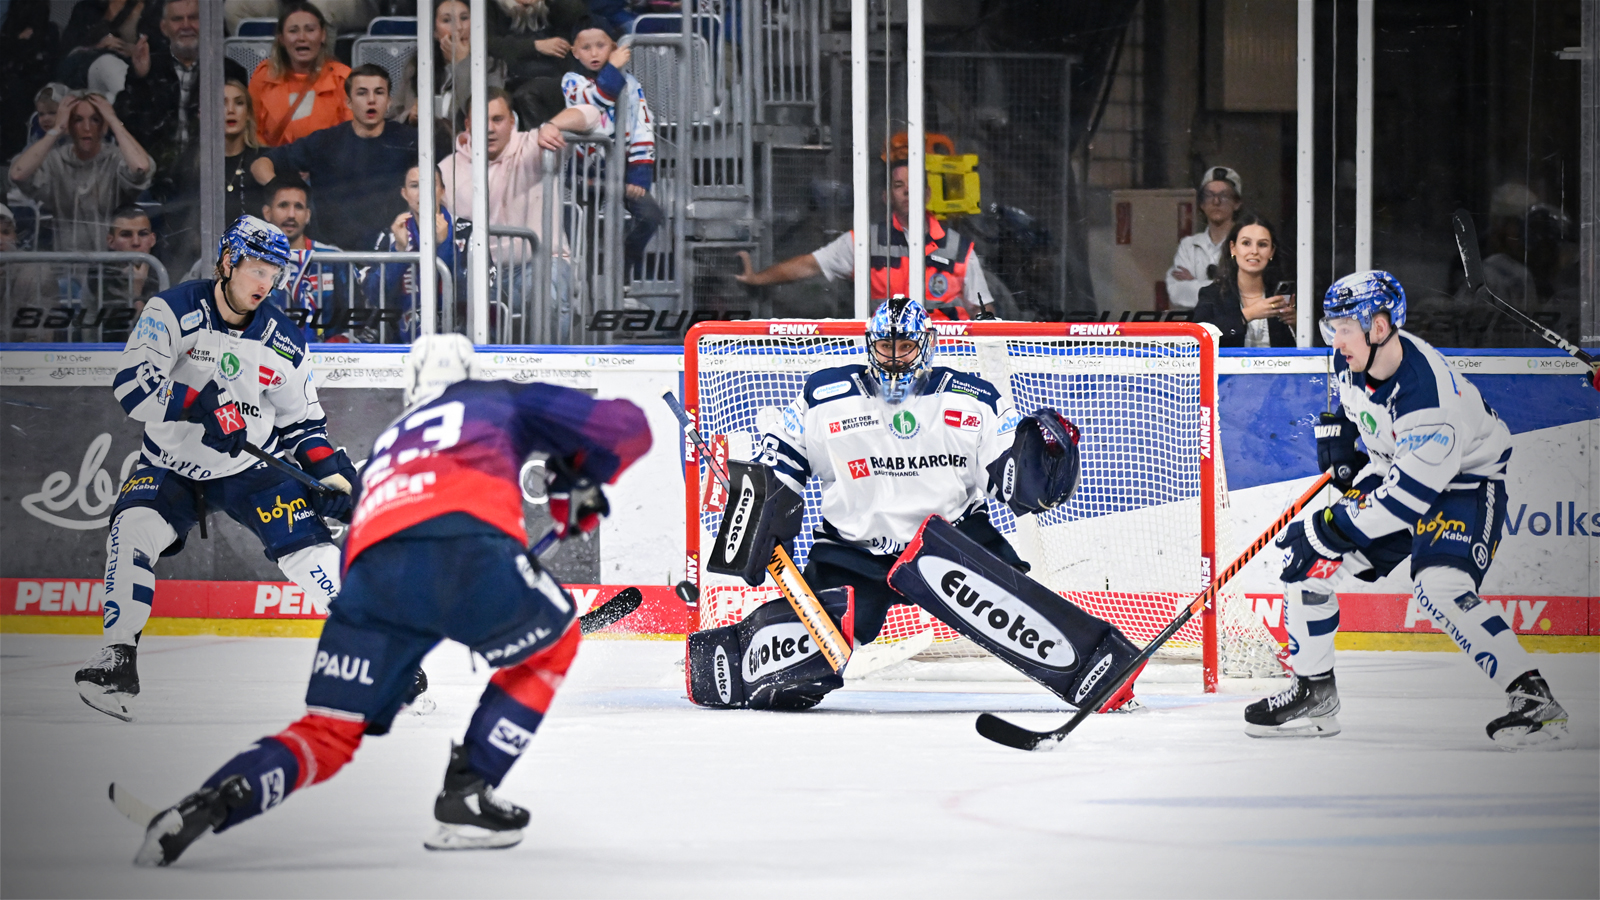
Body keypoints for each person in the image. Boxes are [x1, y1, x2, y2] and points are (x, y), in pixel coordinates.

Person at [124, 334, 652, 866]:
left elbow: (368, 539)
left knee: (328, 732)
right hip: (468, 549)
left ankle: (204, 805)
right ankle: (469, 789)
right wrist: (578, 476)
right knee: (552, 644)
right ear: (468, 374)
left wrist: (389, 661)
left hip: (372, 579)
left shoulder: (390, 443)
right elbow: (630, 426)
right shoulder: (496, 398)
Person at [684, 297, 1143, 713]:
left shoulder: (973, 398)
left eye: (905, 346)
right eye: (885, 347)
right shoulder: (825, 397)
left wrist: (1034, 469)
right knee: (805, 665)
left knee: (1016, 610)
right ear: (870, 346)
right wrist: (763, 502)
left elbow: (1007, 466)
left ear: (928, 344)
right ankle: (724, 663)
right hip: (853, 552)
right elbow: (783, 450)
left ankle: (1099, 668)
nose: (895, 357)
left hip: (950, 539)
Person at [1248, 270, 1569, 748]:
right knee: (1306, 567)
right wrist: (1344, 435)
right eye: (1330, 326)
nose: (1335, 340)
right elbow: (1355, 408)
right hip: (1403, 469)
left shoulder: (1428, 396)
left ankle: (1535, 700)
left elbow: (1403, 502)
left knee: (1438, 585)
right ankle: (1315, 693)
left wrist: (1329, 527)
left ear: (1379, 328)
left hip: (1465, 481)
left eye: (1345, 327)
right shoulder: (1349, 358)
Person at [72, 215, 362, 723]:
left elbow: (303, 425)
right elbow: (132, 386)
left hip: (249, 467)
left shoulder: (285, 340)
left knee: (308, 547)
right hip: (170, 465)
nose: (264, 283)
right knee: (132, 528)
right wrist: (198, 403)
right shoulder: (172, 309)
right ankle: (118, 660)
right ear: (227, 261)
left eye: (274, 272)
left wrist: (333, 473)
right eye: (255, 268)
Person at [735, 159, 995, 319]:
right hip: (886, 358)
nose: (907, 191)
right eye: (898, 185)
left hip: (947, 359)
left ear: (927, 194)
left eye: (913, 183)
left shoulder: (958, 249)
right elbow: (809, 265)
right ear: (886, 196)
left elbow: (982, 310)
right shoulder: (865, 243)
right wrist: (758, 278)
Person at [440, 87, 599, 304]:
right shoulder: (446, 170)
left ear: (512, 122)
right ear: (468, 125)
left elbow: (591, 114)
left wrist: (552, 126)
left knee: (547, 288)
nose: (489, 128)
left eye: (498, 119)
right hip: (478, 274)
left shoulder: (536, 145)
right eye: (480, 120)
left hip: (540, 264)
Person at [252, 64, 417, 255]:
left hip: (392, 254)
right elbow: (261, 164)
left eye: (379, 93)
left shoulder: (409, 140)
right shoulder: (325, 141)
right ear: (348, 101)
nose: (371, 100)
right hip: (333, 257)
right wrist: (282, 192)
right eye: (362, 93)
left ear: (389, 101)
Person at [562, 18, 663, 277]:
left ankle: (624, 262)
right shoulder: (572, 81)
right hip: (585, 174)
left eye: (601, 45)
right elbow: (594, 101)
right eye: (586, 48)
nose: (594, 53)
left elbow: (642, 128)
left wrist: (638, 176)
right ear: (575, 51)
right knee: (584, 236)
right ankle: (586, 288)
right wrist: (614, 69)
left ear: (614, 47)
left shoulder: (631, 85)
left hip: (621, 172)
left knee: (651, 215)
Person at [8, 91, 154, 253]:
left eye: (95, 120)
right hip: (66, 264)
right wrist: (58, 128)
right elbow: (18, 173)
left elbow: (140, 167)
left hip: (114, 264)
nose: (86, 128)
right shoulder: (56, 161)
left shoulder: (115, 159)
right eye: (78, 120)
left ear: (103, 126)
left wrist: (113, 121)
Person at [362, 165, 463, 343]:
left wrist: (444, 246)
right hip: (401, 345)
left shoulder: (466, 232)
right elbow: (374, 295)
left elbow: (474, 292)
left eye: (430, 184)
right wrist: (399, 252)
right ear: (404, 193)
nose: (423, 192)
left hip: (457, 341)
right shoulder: (390, 236)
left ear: (442, 190)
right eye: (415, 186)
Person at [392, 0, 507, 135]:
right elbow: (393, 113)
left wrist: (461, 62)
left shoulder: (493, 66)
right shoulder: (419, 64)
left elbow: (483, 116)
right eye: (447, 20)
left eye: (464, 18)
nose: (458, 27)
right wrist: (409, 116)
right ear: (434, 30)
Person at [248, 1, 351, 147]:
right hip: (274, 166)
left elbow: (350, 137)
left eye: (310, 30)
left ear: (323, 35)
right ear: (281, 38)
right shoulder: (264, 75)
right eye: (293, 31)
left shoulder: (342, 78)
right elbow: (253, 132)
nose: (302, 37)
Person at [259, 177, 349, 341]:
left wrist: (339, 344)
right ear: (267, 213)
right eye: (283, 205)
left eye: (298, 207)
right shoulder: (251, 260)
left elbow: (358, 316)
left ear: (308, 215)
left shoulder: (333, 259)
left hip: (324, 360)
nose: (291, 214)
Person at [1191, 214, 1296, 348]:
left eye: (1262, 245)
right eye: (1246, 243)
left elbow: (1316, 343)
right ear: (1233, 248)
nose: (1254, 251)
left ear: (1271, 252)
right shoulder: (1212, 294)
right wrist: (1248, 315)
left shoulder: (1281, 296)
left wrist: (1296, 324)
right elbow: (1197, 339)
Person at [486, 0, 588, 129]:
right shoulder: (491, 6)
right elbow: (489, 44)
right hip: (509, 78)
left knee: (529, 95)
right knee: (519, 97)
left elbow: (577, 12)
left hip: (554, 77)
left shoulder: (552, 7)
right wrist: (535, 46)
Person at [1165, 166, 1243, 312]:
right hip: (1197, 332)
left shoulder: (1248, 244)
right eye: (1209, 195)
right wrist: (1219, 287)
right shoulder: (1188, 245)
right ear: (1201, 203)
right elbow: (1176, 292)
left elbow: (1244, 294)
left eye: (1224, 195)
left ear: (1237, 203)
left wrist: (1194, 283)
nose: (1216, 201)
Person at [0, 4, 62, 160]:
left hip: (35, 87)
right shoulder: (7, 30)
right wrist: (15, 40)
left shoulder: (50, 31)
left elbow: (47, 67)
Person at [91, 204, 159, 341]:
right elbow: (124, 332)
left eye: (143, 234)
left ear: (153, 239)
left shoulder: (163, 269)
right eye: (126, 235)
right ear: (111, 241)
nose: (136, 242)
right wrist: (136, 291)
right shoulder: (99, 273)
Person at [56, 0, 145, 101]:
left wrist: (132, 51)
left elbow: (155, 51)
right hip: (86, 75)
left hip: (130, 72)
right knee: (105, 62)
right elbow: (66, 54)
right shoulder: (85, 8)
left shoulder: (147, 9)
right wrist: (97, 47)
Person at [223, 78, 269, 226]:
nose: (231, 110)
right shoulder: (194, 165)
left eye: (239, 103)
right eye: (222, 103)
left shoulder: (265, 160)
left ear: (249, 113)